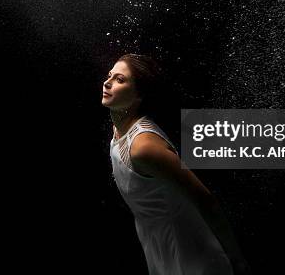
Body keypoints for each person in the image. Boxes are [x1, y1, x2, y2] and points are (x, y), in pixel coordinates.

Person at [102, 53, 252, 275]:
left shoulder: (144, 147)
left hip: (187, 247)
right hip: (155, 242)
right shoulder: (118, 129)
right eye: (109, 75)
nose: (107, 82)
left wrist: (236, 258)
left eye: (120, 79)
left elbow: (205, 200)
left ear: (139, 95)